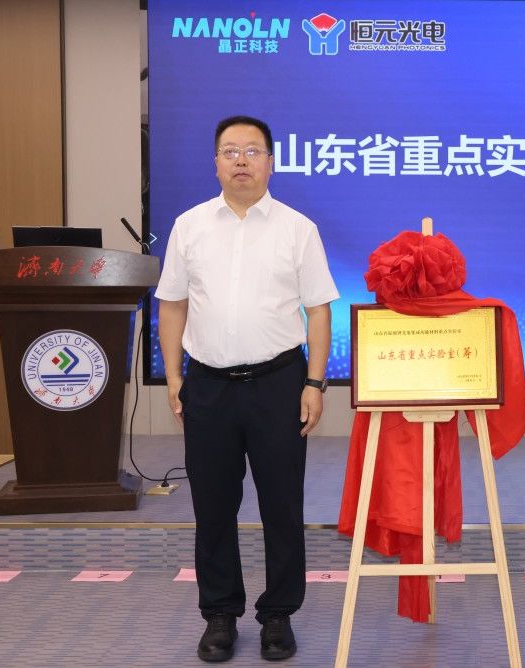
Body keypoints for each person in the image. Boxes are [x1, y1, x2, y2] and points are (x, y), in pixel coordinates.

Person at [156, 115, 339, 662]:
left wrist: (314, 382)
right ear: (215, 162)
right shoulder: (189, 226)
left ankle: (278, 613)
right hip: (208, 385)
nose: (241, 160)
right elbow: (173, 305)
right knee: (213, 505)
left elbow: (319, 310)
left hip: (278, 383)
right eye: (230, 150)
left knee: (282, 503)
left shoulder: (297, 228)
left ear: (271, 162)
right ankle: (219, 613)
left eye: (252, 151)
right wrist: (174, 377)